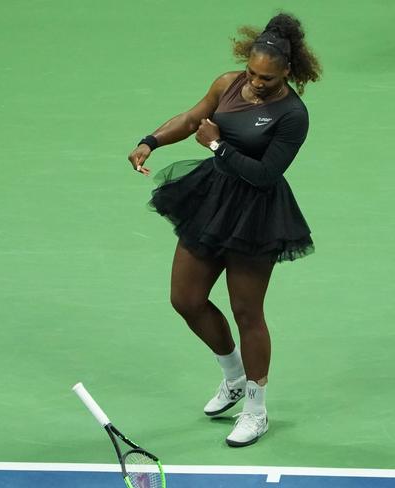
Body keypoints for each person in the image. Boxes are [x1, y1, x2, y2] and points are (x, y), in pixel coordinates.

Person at [127, 12, 322, 447]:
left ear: (286, 72)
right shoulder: (228, 84)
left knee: (248, 313)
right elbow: (193, 116)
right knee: (186, 299)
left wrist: (216, 145)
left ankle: (256, 408)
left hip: (257, 213)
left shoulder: (293, 114)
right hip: (212, 198)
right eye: (252, 73)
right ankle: (233, 376)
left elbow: (266, 173)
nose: (255, 83)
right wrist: (150, 141)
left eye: (266, 78)